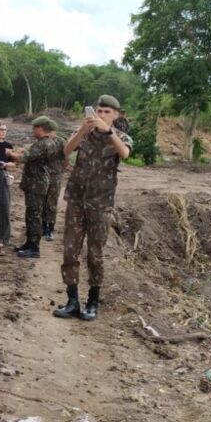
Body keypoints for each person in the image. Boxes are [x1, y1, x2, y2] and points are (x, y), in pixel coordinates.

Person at [53, 95, 132, 322]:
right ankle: (72, 301)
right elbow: (66, 151)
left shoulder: (120, 137)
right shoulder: (84, 133)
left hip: (101, 204)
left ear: (116, 115)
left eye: (107, 111)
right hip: (77, 200)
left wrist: (108, 131)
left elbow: (125, 153)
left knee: (95, 255)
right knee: (70, 252)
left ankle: (93, 302)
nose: (101, 114)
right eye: (99, 110)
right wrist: (81, 130)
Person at [15, 117, 66, 259]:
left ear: (41, 128)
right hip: (36, 183)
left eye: (35, 128)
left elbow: (24, 158)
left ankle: (34, 247)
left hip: (36, 184)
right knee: (31, 213)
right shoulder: (46, 143)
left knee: (34, 215)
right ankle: (29, 243)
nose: (33, 130)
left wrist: (8, 154)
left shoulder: (43, 144)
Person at [41, 119, 67, 242]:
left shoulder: (61, 142)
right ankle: (42, 226)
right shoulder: (41, 141)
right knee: (42, 201)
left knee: (51, 203)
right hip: (42, 175)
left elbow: (66, 158)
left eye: (50, 130)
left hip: (55, 175)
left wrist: (61, 170)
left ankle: (50, 229)